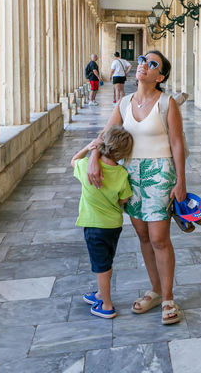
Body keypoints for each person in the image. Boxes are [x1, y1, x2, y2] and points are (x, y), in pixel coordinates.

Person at [86, 50, 187, 325]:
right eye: (142, 60)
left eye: (152, 63)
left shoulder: (167, 103)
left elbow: (177, 144)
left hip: (160, 173)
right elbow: (103, 137)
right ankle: (155, 291)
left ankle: (168, 297)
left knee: (159, 238)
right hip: (130, 175)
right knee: (143, 236)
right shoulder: (125, 103)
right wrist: (94, 157)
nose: (144, 65)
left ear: (160, 75)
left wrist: (181, 182)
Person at [71, 125, 134, 319]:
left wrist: (90, 148)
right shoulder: (122, 173)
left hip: (94, 225)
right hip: (114, 226)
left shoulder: (85, 168)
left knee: (101, 267)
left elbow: (74, 160)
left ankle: (106, 305)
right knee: (107, 261)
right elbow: (123, 199)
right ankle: (100, 294)